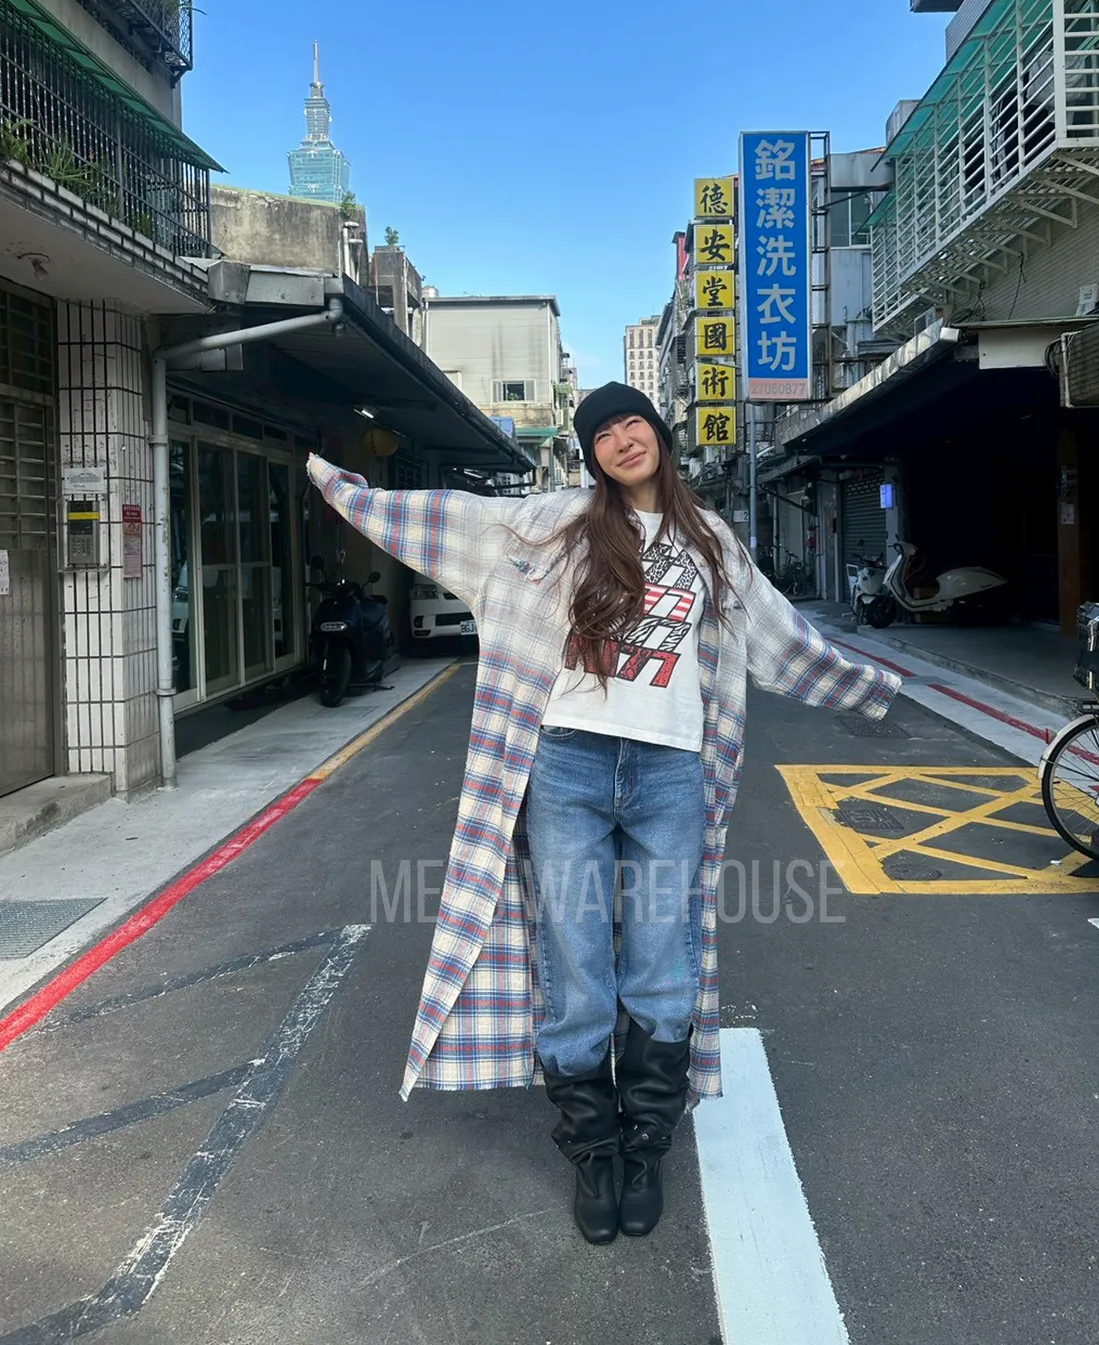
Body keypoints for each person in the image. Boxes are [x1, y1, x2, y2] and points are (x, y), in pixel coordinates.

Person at [306, 382, 900, 1245]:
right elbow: (454, 518)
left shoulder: (711, 540)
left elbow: (778, 634)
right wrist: (348, 491)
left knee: (662, 958)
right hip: (566, 762)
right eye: (604, 434)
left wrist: (871, 686)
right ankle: (593, 1147)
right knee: (576, 958)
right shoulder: (554, 525)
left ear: (658, 432)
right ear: (591, 456)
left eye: (633, 423)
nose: (623, 439)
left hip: (671, 769)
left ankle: (646, 1142)